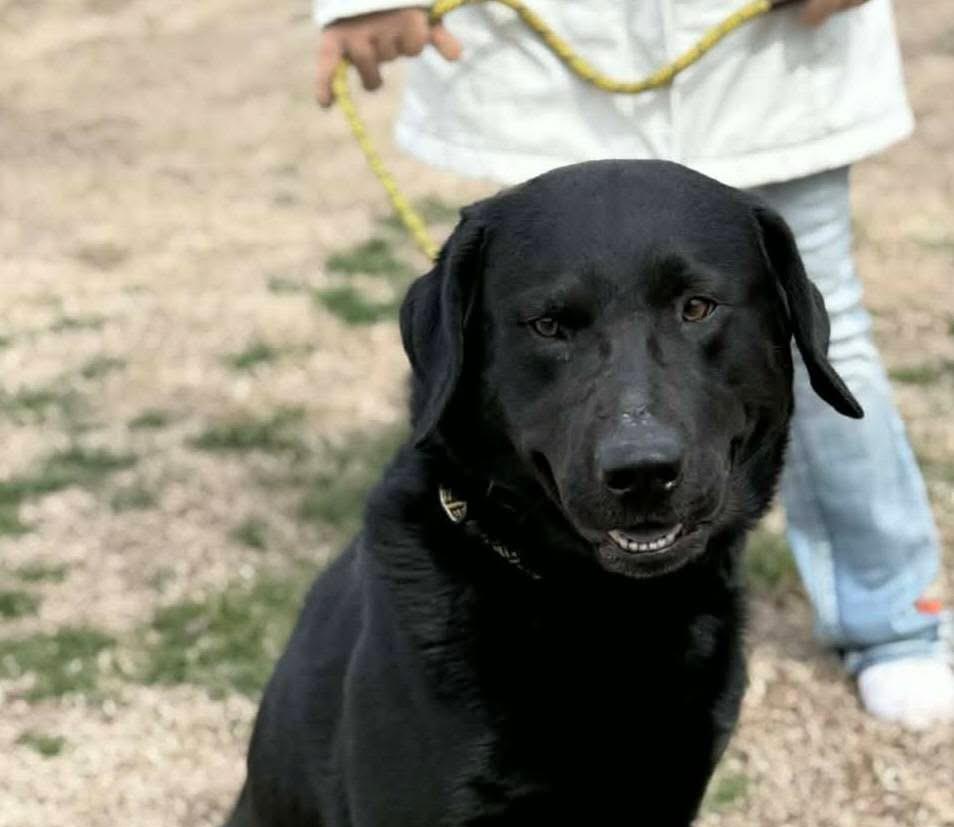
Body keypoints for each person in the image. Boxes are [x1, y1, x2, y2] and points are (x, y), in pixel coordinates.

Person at [314, 0, 954, 729]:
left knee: (825, 326)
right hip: (541, 54)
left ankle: (891, 620)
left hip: (768, 53)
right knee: (550, 335)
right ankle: (534, 640)